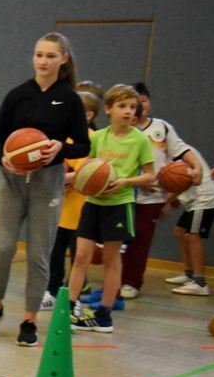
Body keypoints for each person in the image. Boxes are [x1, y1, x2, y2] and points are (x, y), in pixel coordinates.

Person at [0, 32, 90, 346]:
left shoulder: (70, 99)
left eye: (50, 56)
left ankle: (29, 320)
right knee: (1, 247)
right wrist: (4, 159)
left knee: (39, 254)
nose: (43, 61)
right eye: (39, 55)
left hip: (48, 182)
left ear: (63, 59)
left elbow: (82, 144)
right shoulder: (17, 95)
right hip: (11, 181)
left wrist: (60, 147)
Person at [66, 85, 155, 333]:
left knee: (110, 259)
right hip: (94, 204)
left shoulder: (140, 140)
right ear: (108, 109)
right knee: (81, 256)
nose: (128, 112)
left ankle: (104, 315)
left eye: (132, 107)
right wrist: (62, 180)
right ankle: (70, 308)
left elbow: (150, 176)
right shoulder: (99, 137)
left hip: (119, 205)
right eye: (122, 106)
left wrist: (124, 181)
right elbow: (87, 172)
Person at [119, 82, 204, 299]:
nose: (138, 106)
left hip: (151, 197)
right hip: (122, 193)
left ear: (149, 103)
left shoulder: (161, 127)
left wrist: (195, 166)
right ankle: (115, 277)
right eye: (132, 102)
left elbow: (181, 149)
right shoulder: (121, 129)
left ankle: (131, 281)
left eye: (143, 100)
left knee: (140, 240)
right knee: (118, 240)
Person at [40, 90, 101, 310]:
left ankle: (72, 298)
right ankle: (52, 291)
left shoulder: (91, 139)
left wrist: (58, 177)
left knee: (78, 257)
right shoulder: (60, 137)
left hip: (81, 210)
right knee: (54, 254)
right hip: (59, 209)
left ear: (87, 116)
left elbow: (86, 174)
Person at [160, 149, 214, 296]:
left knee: (192, 236)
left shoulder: (183, 153)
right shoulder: (169, 155)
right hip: (194, 200)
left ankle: (200, 282)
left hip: (204, 199)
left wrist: (165, 203)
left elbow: (184, 181)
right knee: (180, 232)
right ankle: (189, 274)